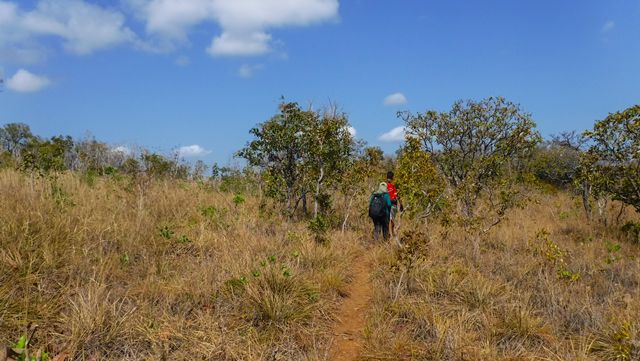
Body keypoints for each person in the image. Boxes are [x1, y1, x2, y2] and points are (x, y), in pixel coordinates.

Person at [386, 171, 402, 237]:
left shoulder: (384, 185)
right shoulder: (393, 186)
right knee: (392, 219)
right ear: (392, 177)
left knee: (387, 220)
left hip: (386, 204)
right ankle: (392, 233)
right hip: (393, 204)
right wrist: (401, 204)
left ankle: (388, 234)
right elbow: (397, 196)